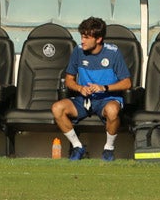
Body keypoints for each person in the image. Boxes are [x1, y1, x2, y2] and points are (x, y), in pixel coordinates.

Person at [51, 16, 132, 161]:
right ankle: (77, 146)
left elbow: (127, 83)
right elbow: (69, 80)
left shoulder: (113, 53)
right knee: (57, 108)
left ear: (98, 39)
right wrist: (80, 88)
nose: (82, 41)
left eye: (86, 38)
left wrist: (104, 88)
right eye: (82, 36)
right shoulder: (78, 51)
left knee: (112, 110)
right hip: (84, 99)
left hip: (107, 99)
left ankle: (108, 149)